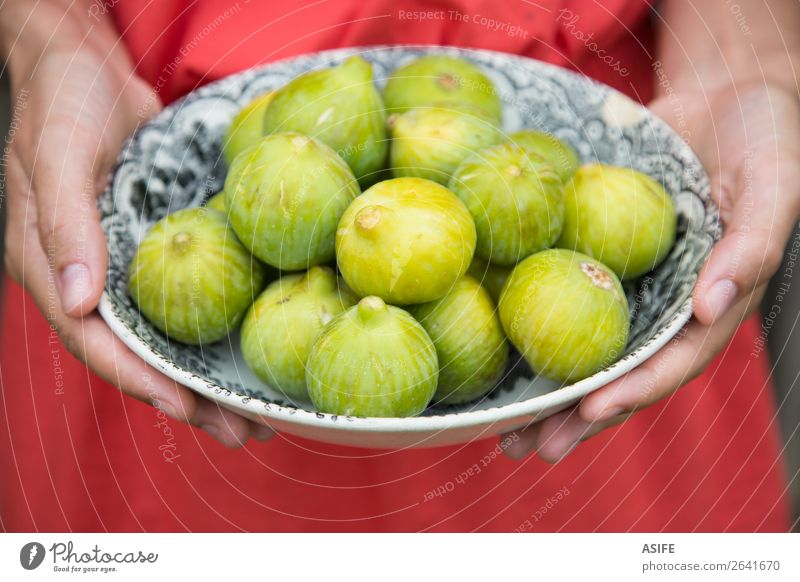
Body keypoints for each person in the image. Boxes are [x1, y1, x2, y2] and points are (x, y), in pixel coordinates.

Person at [0, 0, 796, 532]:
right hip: (145, 157)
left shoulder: (542, 195)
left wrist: (748, 53)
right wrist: (50, 39)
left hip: (623, 145)